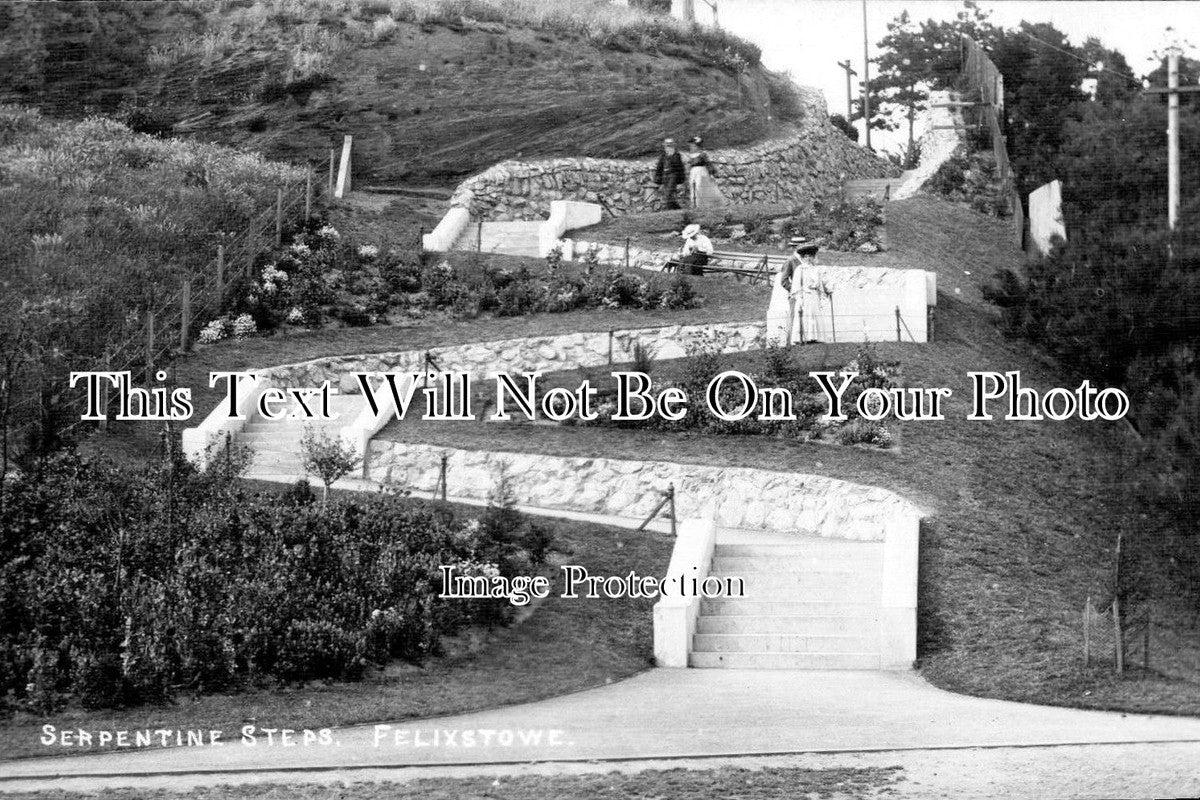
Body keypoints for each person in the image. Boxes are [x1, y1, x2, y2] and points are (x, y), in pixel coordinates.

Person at [766, 237, 823, 344]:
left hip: (809, 296)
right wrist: (796, 291)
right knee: (794, 319)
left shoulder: (807, 259)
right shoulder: (791, 261)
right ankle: (791, 344)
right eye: (798, 245)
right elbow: (784, 280)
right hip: (796, 296)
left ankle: (809, 340)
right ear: (795, 247)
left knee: (808, 318)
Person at [685, 136, 724, 209]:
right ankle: (695, 204)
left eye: (693, 146)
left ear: (697, 146)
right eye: (691, 146)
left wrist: (713, 172)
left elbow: (708, 164)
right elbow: (689, 165)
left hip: (701, 173)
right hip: (693, 173)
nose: (691, 147)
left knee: (700, 187)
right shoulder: (691, 156)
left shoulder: (702, 155)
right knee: (694, 187)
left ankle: (702, 204)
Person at [653, 138, 687, 210]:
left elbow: (679, 168)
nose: (668, 147)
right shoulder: (663, 156)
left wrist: (681, 180)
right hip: (665, 176)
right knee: (668, 194)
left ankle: (667, 209)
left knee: (668, 194)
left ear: (673, 146)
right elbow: (659, 167)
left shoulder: (676, 155)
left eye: (670, 146)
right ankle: (677, 209)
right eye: (667, 146)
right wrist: (658, 179)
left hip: (672, 176)